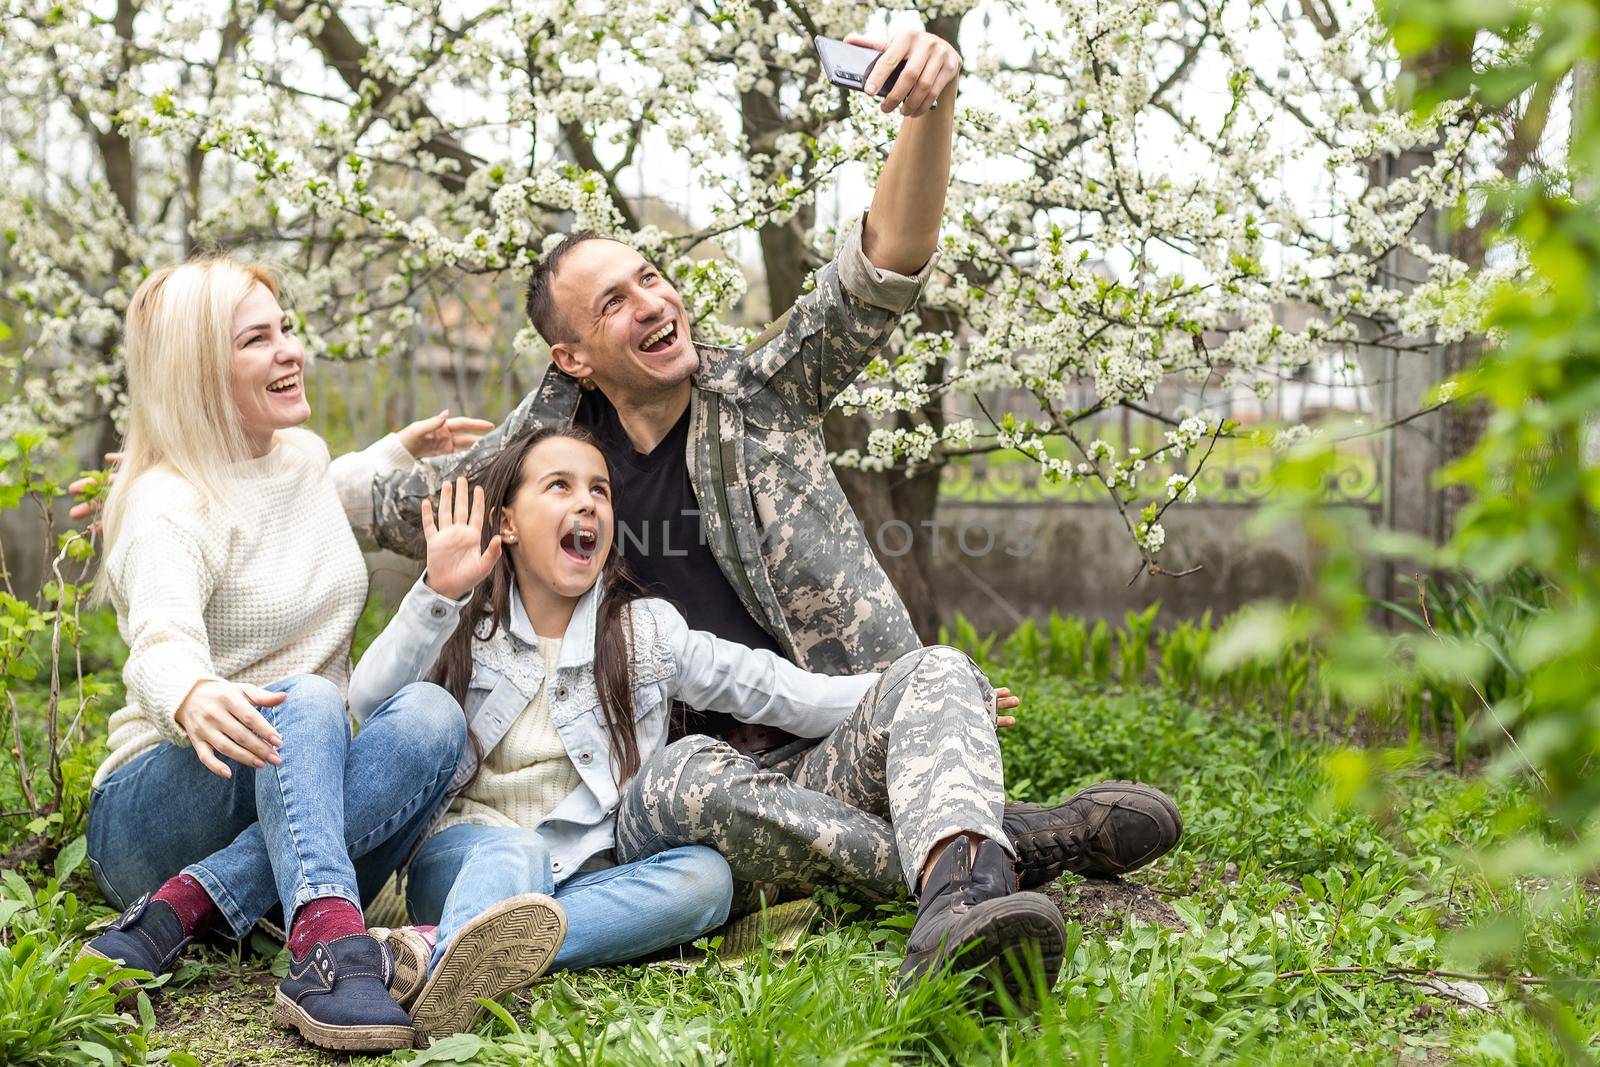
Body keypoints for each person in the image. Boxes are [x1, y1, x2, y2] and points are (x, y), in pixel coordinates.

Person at [367, 24, 1183, 995]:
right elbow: (377, 503)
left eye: (651, 278)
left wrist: (927, 112)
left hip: (821, 750)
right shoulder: (534, 468)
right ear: (572, 355)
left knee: (935, 668)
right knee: (685, 773)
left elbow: (879, 272)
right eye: (613, 302)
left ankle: (963, 901)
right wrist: (217, 463)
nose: (651, 301)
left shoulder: (764, 399)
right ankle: (1005, 838)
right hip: (668, 792)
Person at [353, 425, 1065, 1028]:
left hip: (595, 874)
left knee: (705, 881)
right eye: (560, 486)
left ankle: (466, 952)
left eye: (599, 489)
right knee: (517, 859)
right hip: (472, 857)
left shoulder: (645, 631)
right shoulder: (464, 627)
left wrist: (913, 697)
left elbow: (780, 690)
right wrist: (434, 593)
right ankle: (453, 968)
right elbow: (371, 699)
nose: (587, 503)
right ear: (505, 522)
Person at [77, 257, 494, 1053]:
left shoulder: (296, 455)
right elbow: (159, 638)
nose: (290, 350)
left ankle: (192, 908)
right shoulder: (167, 506)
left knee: (434, 717)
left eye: (287, 329)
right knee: (303, 698)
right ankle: (330, 948)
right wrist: (191, 690)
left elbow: (314, 489)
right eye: (257, 339)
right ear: (200, 372)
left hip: (292, 809)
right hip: (159, 804)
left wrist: (395, 451)